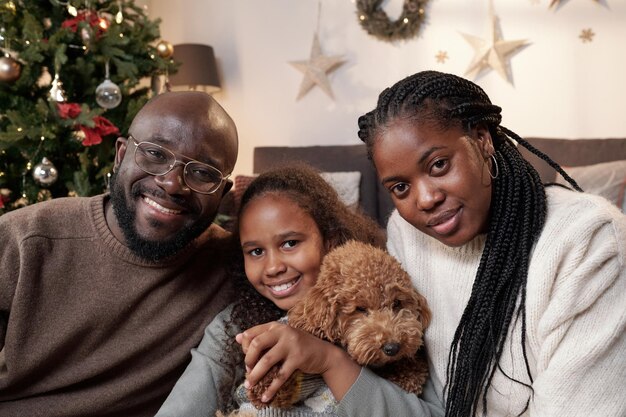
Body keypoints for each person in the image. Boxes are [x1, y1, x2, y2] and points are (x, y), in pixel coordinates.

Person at [236, 70, 625, 417]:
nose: (424, 199)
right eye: (400, 187)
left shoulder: (587, 242)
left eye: (439, 165)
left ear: (482, 140)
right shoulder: (409, 234)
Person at [0, 91, 239, 417]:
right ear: (121, 155)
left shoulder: (239, 267)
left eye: (202, 173)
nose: (172, 184)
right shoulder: (24, 240)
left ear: (222, 193)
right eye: (155, 153)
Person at [155, 163, 388, 416]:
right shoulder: (232, 328)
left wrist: (328, 360)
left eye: (290, 243)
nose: (273, 267)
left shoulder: (379, 318)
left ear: (329, 240)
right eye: (256, 252)